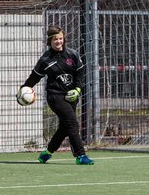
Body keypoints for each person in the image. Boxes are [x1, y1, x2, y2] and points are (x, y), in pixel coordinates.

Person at [17, 25, 94, 165]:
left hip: (72, 96)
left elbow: (80, 73)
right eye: (55, 39)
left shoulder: (73, 54)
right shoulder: (45, 60)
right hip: (55, 96)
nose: (59, 42)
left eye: (60, 38)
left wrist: (77, 89)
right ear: (49, 41)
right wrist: (23, 89)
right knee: (72, 124)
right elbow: (34, 77)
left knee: (64, 128)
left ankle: (47, 153)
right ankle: (80, 155)